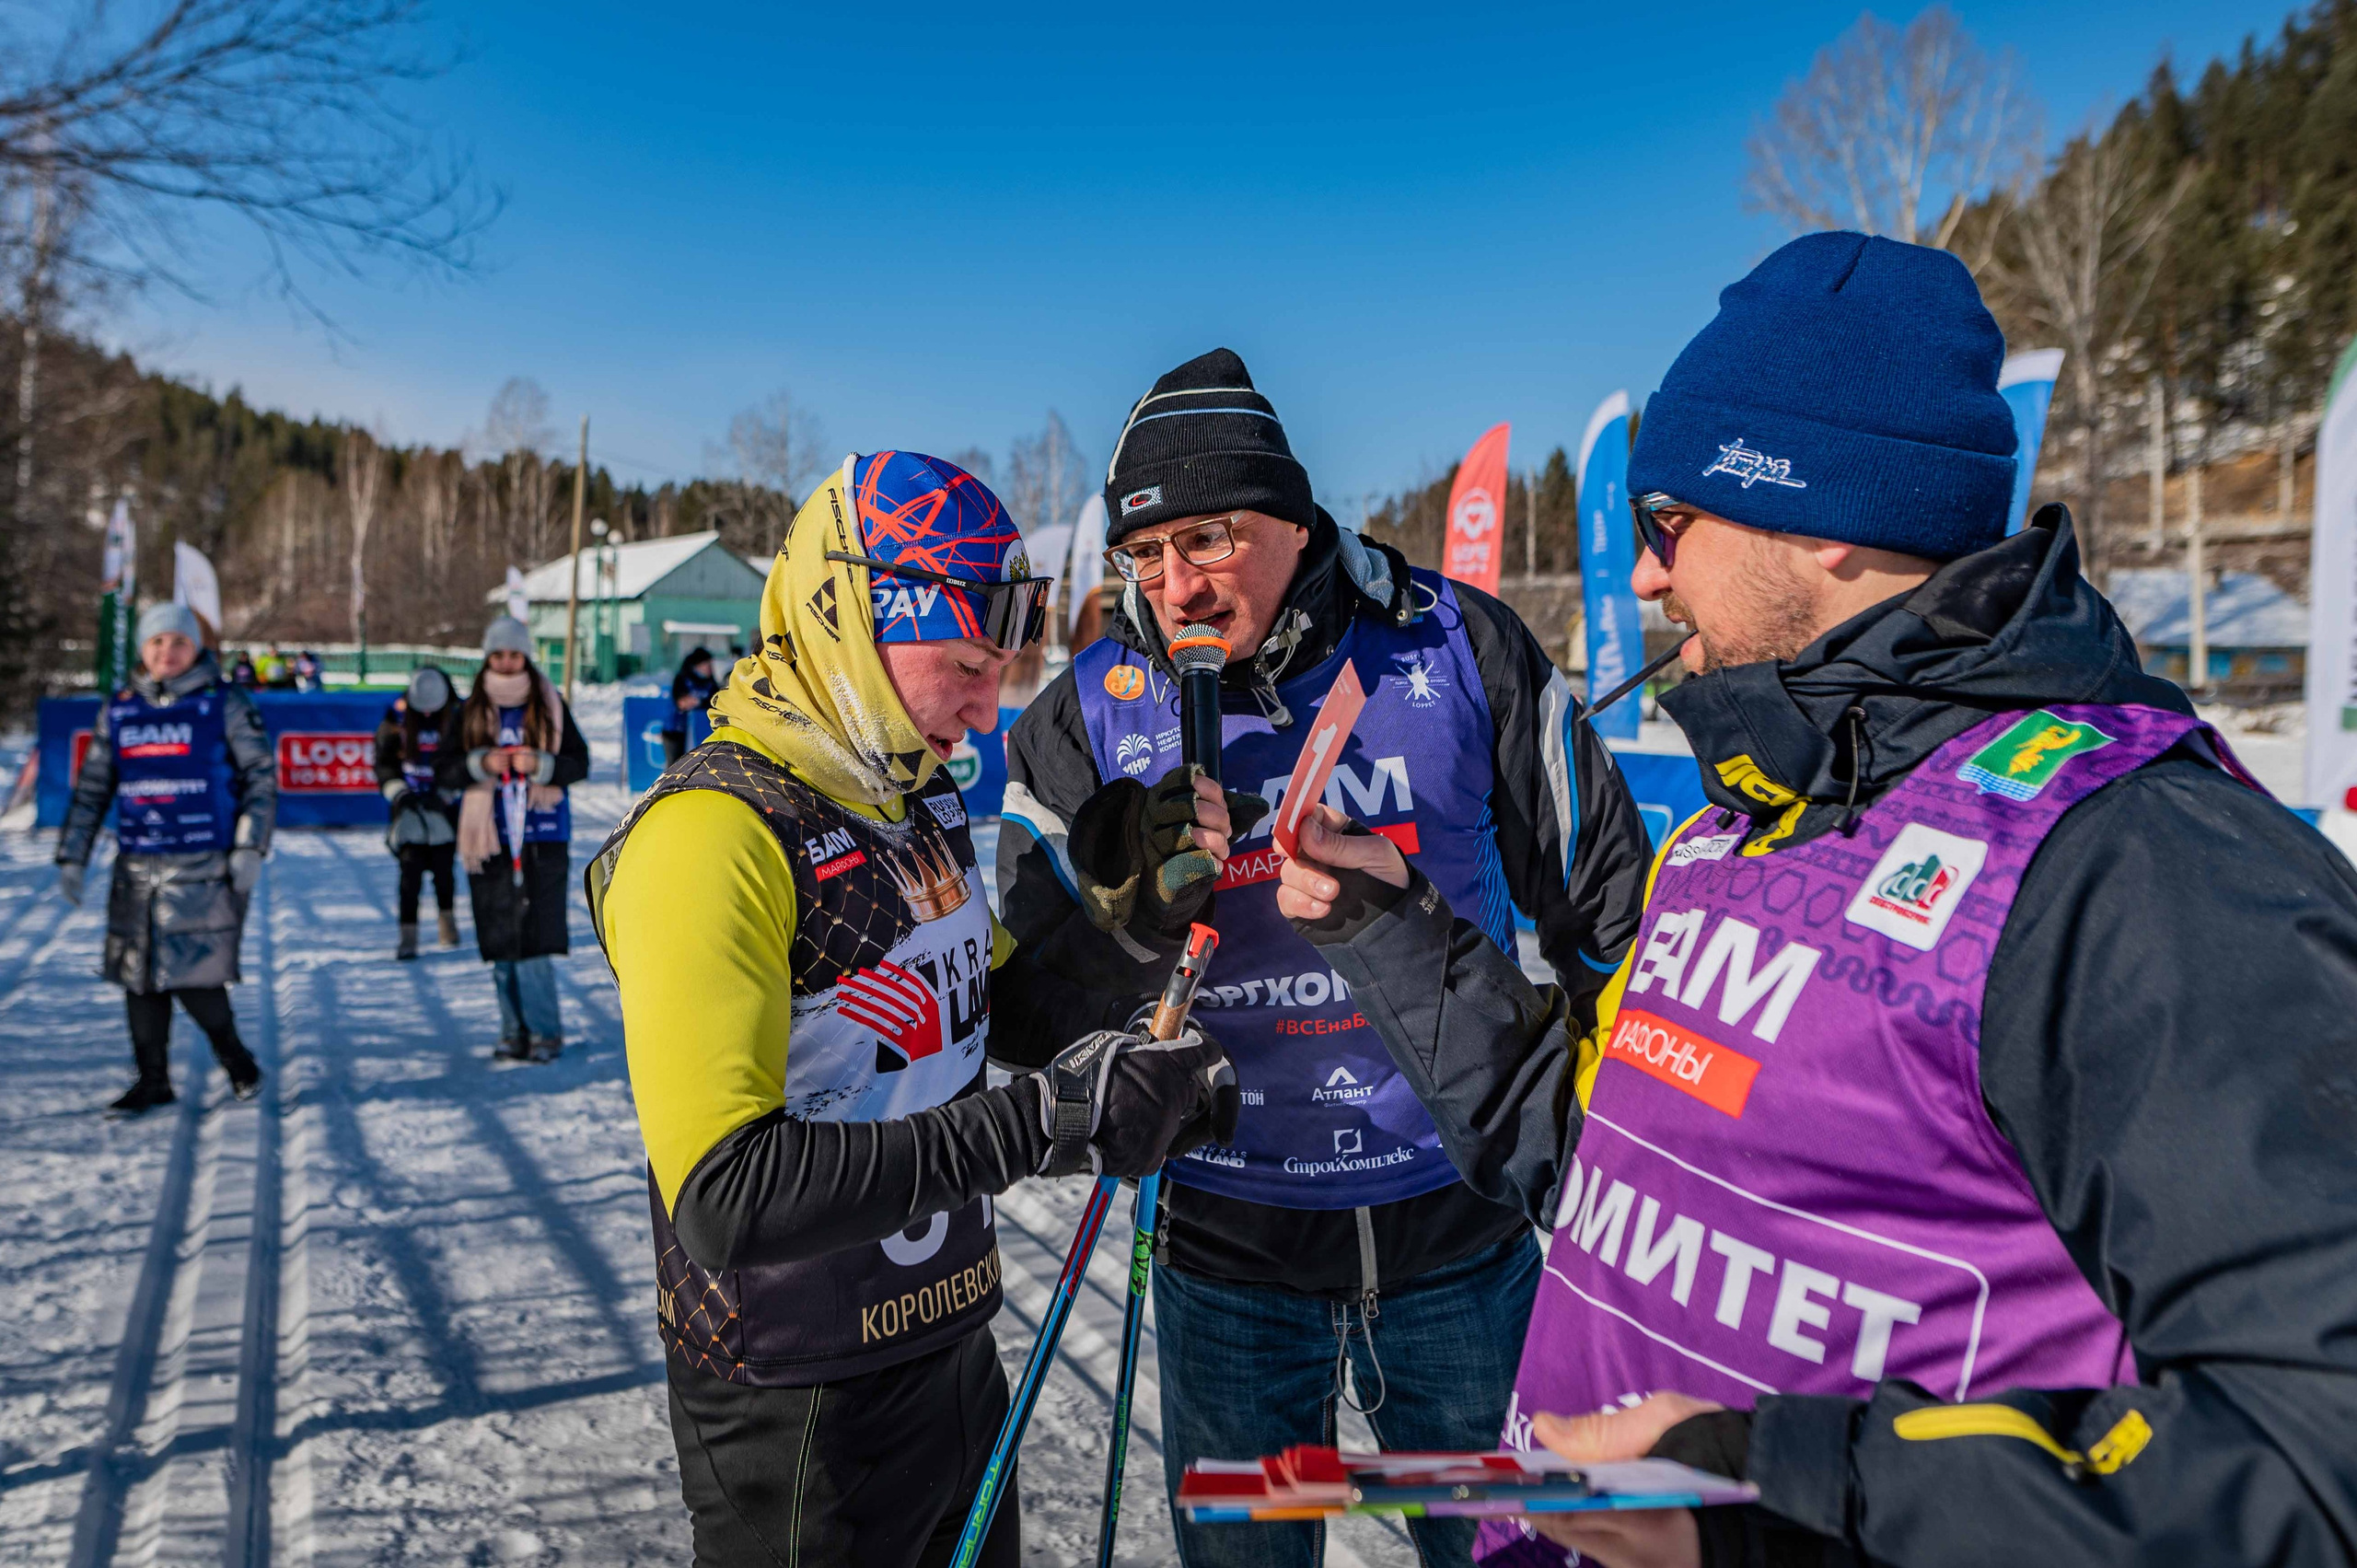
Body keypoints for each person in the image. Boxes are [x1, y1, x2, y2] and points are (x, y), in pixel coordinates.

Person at [1273, 232, 2357, 1567]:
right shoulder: (1744, 818)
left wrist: (1783, 1492)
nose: (1647, 575)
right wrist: (1387, 924)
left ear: (1823, 514)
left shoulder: (2142, 859)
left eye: (1668, 523)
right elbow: (1604, 1160)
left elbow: (2311, 1453)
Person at [993, 348, 1653, 1568]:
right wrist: (1123, 919)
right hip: (1229, 1258)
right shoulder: (1085, 711)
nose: (1174, 585)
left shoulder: (1457, 645)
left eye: (1207, 538)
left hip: (1459, 1239)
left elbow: (1614, 918)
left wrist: (1621, 1173)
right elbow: (1023, 1016)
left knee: (1519, 1554)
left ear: (1294, 522)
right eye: (1143, 553)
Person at [586, 449, 1237, 1568]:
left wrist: (1125, 981)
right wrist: (1050, 1121)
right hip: (800, 1396)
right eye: (966, 666)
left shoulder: (911, 793)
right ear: (847, 618)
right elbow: (724, 1194)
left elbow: (991, 1000)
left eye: (1002, 670)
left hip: (949, 1341)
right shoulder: (709, 834)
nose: (985, 711)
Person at [55, 601, 275, 1113]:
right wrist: (72, 856)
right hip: (137, 865)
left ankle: (236, 1060)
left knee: (197, 976)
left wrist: (250, 846)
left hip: (203, 864)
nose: (167, 651)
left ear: (195, 648)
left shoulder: (224, 703)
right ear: (143, 649)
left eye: (179, 641)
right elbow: (93, 789)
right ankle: (152, 1079)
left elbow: (260, 779)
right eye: (157, 642)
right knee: (138, 974)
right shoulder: (120, 709)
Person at [444, 617, 588, 1063]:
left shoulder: (549, 704)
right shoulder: (469, 709)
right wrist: (480, 764)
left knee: (535, 939)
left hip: (543, 838)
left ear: (526, 657)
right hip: (487, 840)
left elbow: (579, 763)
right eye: (499, 655)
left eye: (515, 655)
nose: (507, 663)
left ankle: (545, 1033)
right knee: (499, 938)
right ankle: (512, 1031)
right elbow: (443, 771)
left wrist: (543, 765)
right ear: (487, 658)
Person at [375, 666, 464, 959]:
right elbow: (383, 763)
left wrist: (448, 791)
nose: (426, 713)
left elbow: (466, 762)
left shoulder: (458, 718)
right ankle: (408, 935)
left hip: (444, 811)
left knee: (444, 872)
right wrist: (398, 792)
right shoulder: (396, 719)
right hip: (409, 811)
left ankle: (447, 922)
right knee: (409, 875)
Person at [662, 645, 719, 764]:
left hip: (699, 730)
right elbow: (681, 702)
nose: (709, 668)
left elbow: (716, 701)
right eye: (706, 665)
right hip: (675, 730)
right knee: (675, 764)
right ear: (697, 665)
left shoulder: (710, 683)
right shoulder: (683, 679)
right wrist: (694, 702)